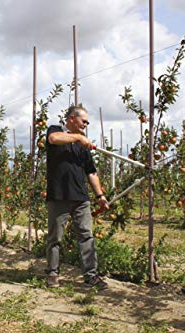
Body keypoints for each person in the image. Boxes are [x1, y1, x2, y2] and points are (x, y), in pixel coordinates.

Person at [45, 105, 109, 290]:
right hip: (59, 196)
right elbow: (53, 139)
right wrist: (79, 137)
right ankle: (52, 273)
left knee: (86, 236)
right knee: (55, 238)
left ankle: (91, 276)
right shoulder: (56, 130)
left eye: (87, 123)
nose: (86, 125)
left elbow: (91, 173)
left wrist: (100, 196)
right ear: (72, 119)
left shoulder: (83, 147)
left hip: (81, 198)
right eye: (84, 121)